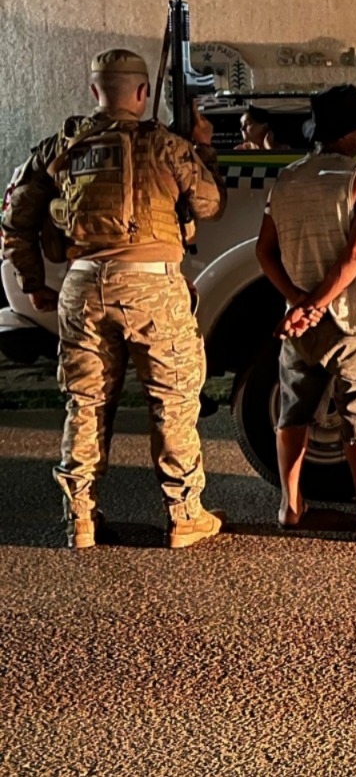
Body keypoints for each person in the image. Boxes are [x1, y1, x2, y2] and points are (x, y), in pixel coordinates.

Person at [0, 49, 226, 549]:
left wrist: (34, 282)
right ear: (143, 93)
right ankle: (184, 515)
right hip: (153, 287)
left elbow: (14, 221)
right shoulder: (166, 146)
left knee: (85, 403)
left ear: (94, 91)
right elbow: (211, 205)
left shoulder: (61, 147)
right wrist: (202, 147)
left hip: (83, 285)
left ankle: (80, 519)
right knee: (172, 401)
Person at [254, 85, 356, 543]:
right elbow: (354, 256)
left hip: (300, 324)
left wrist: (298, 302)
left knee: (293, 409)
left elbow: (265, 252)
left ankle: (290, 505)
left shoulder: (287, 179)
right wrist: (318, 303)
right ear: (349, 132)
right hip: (354, 320)